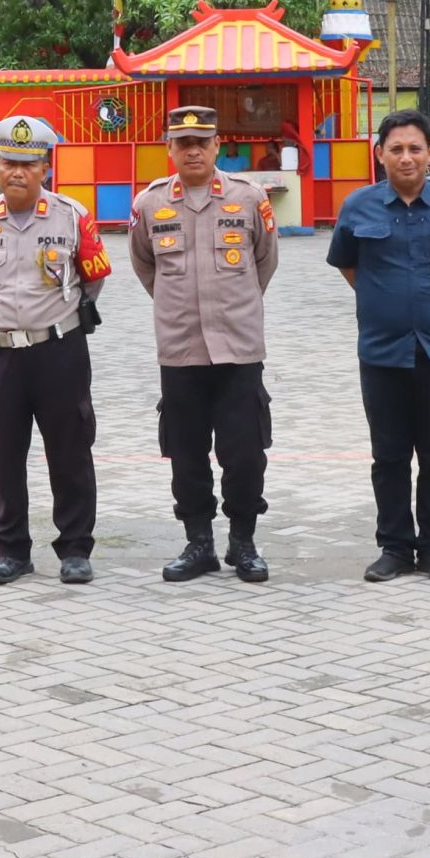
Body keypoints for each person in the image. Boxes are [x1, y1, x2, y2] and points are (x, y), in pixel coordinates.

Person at [327, 107, 430, 583]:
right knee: (389, 456)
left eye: (415, 148)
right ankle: (394, 548)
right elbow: (348, 266)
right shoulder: (358, 207)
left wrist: (427, 302)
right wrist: (385, 301)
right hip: (382, 351)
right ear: (379, 154)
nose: (406, 157)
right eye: (395, 149)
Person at [129, 105, 281, 584]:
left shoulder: (249, 198)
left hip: (238, 348)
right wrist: (177, 305)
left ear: (217, 146)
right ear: (169, 148)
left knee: (245, 452)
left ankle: (243, 542)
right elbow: (145, 266)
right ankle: (199, 544)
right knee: (186, 453)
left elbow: (265, 262)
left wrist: (235, 303)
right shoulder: (149, 204)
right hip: (180, 350)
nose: (192, 151)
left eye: (202, 142)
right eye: (183, 143)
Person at [0, 115, 112, 586]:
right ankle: (11, 551)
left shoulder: (72, 216)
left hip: (59, 350)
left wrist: (58, 318)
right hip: (1, 355)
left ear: (45, 168)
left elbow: (94, 278)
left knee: (70, 450)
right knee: (2, 453)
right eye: (9, 163)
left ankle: (75, 549)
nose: (17, 173)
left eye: (28, 164)